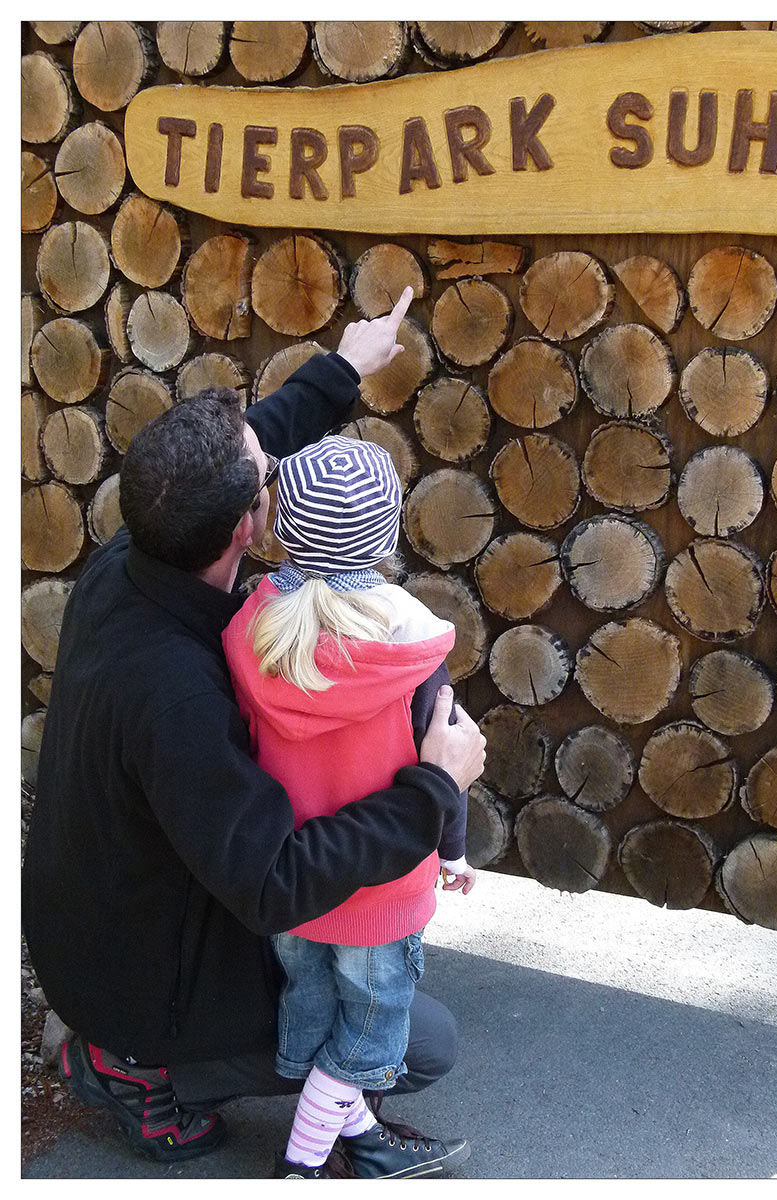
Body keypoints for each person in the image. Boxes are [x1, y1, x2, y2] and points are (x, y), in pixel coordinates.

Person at [21, 289, 486, 1172]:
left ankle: (138, 1044)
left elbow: (254, 446)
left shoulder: (139, 547)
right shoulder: (176, 693)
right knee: (421, 1043)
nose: (272, 462)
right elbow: (276, 881)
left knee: (363, 972)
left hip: (105, 912)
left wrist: (345, 367)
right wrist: (434, 789)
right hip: (137, 980)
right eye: (265, 473)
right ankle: (134, 1068)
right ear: (247, 524)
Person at [222, 435, 477, 1179]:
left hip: (294, 876)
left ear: (279, 528)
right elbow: (446, 760)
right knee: (370, 1029)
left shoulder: (252, 629)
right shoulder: (409, 646)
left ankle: (355, 1135)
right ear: (389, 533)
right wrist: (453, 849)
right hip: (380, 889)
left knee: (309, 996)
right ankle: (302, 1165)